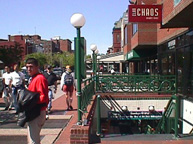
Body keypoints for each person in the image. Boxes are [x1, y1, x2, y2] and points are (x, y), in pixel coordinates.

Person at [26, 58, 49, 144]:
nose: (29, 69)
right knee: (32, 138)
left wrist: (27, 102)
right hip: (34, 112)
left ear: (37, 67)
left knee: (33, 141)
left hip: (37, 112)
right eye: (27, 67)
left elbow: (42, 97)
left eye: (31, 67)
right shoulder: (34, 78)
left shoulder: (39, 78)